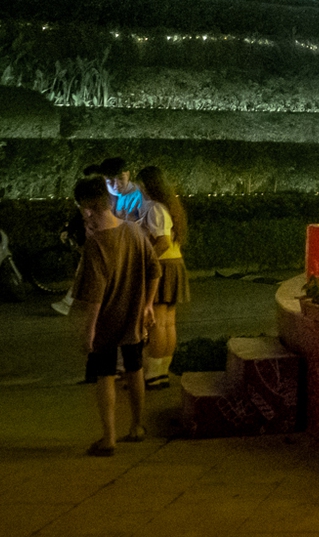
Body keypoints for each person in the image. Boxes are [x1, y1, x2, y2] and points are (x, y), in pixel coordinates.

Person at [68, 175, 158, 455]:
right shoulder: (134, 231)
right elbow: (155, 270)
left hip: (106, 321)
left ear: (87, 206)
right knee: (135, 369)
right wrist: (147, 305)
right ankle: (137, 426)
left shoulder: (96, 245)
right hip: (133, 316)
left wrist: (89, 330)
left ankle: (109, 438)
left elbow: (95, 294)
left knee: (105, 375)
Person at [136, 165, 191, 390]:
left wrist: (147, 264)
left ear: (149, 186)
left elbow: (163, 241)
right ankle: (161, 372)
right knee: (168, 322)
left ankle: (154, 374)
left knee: (158, 323)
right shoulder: (170, 206)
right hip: (175, 264)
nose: (138, 191)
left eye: (140, 186)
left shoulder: (155, 208)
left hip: (163, 266)